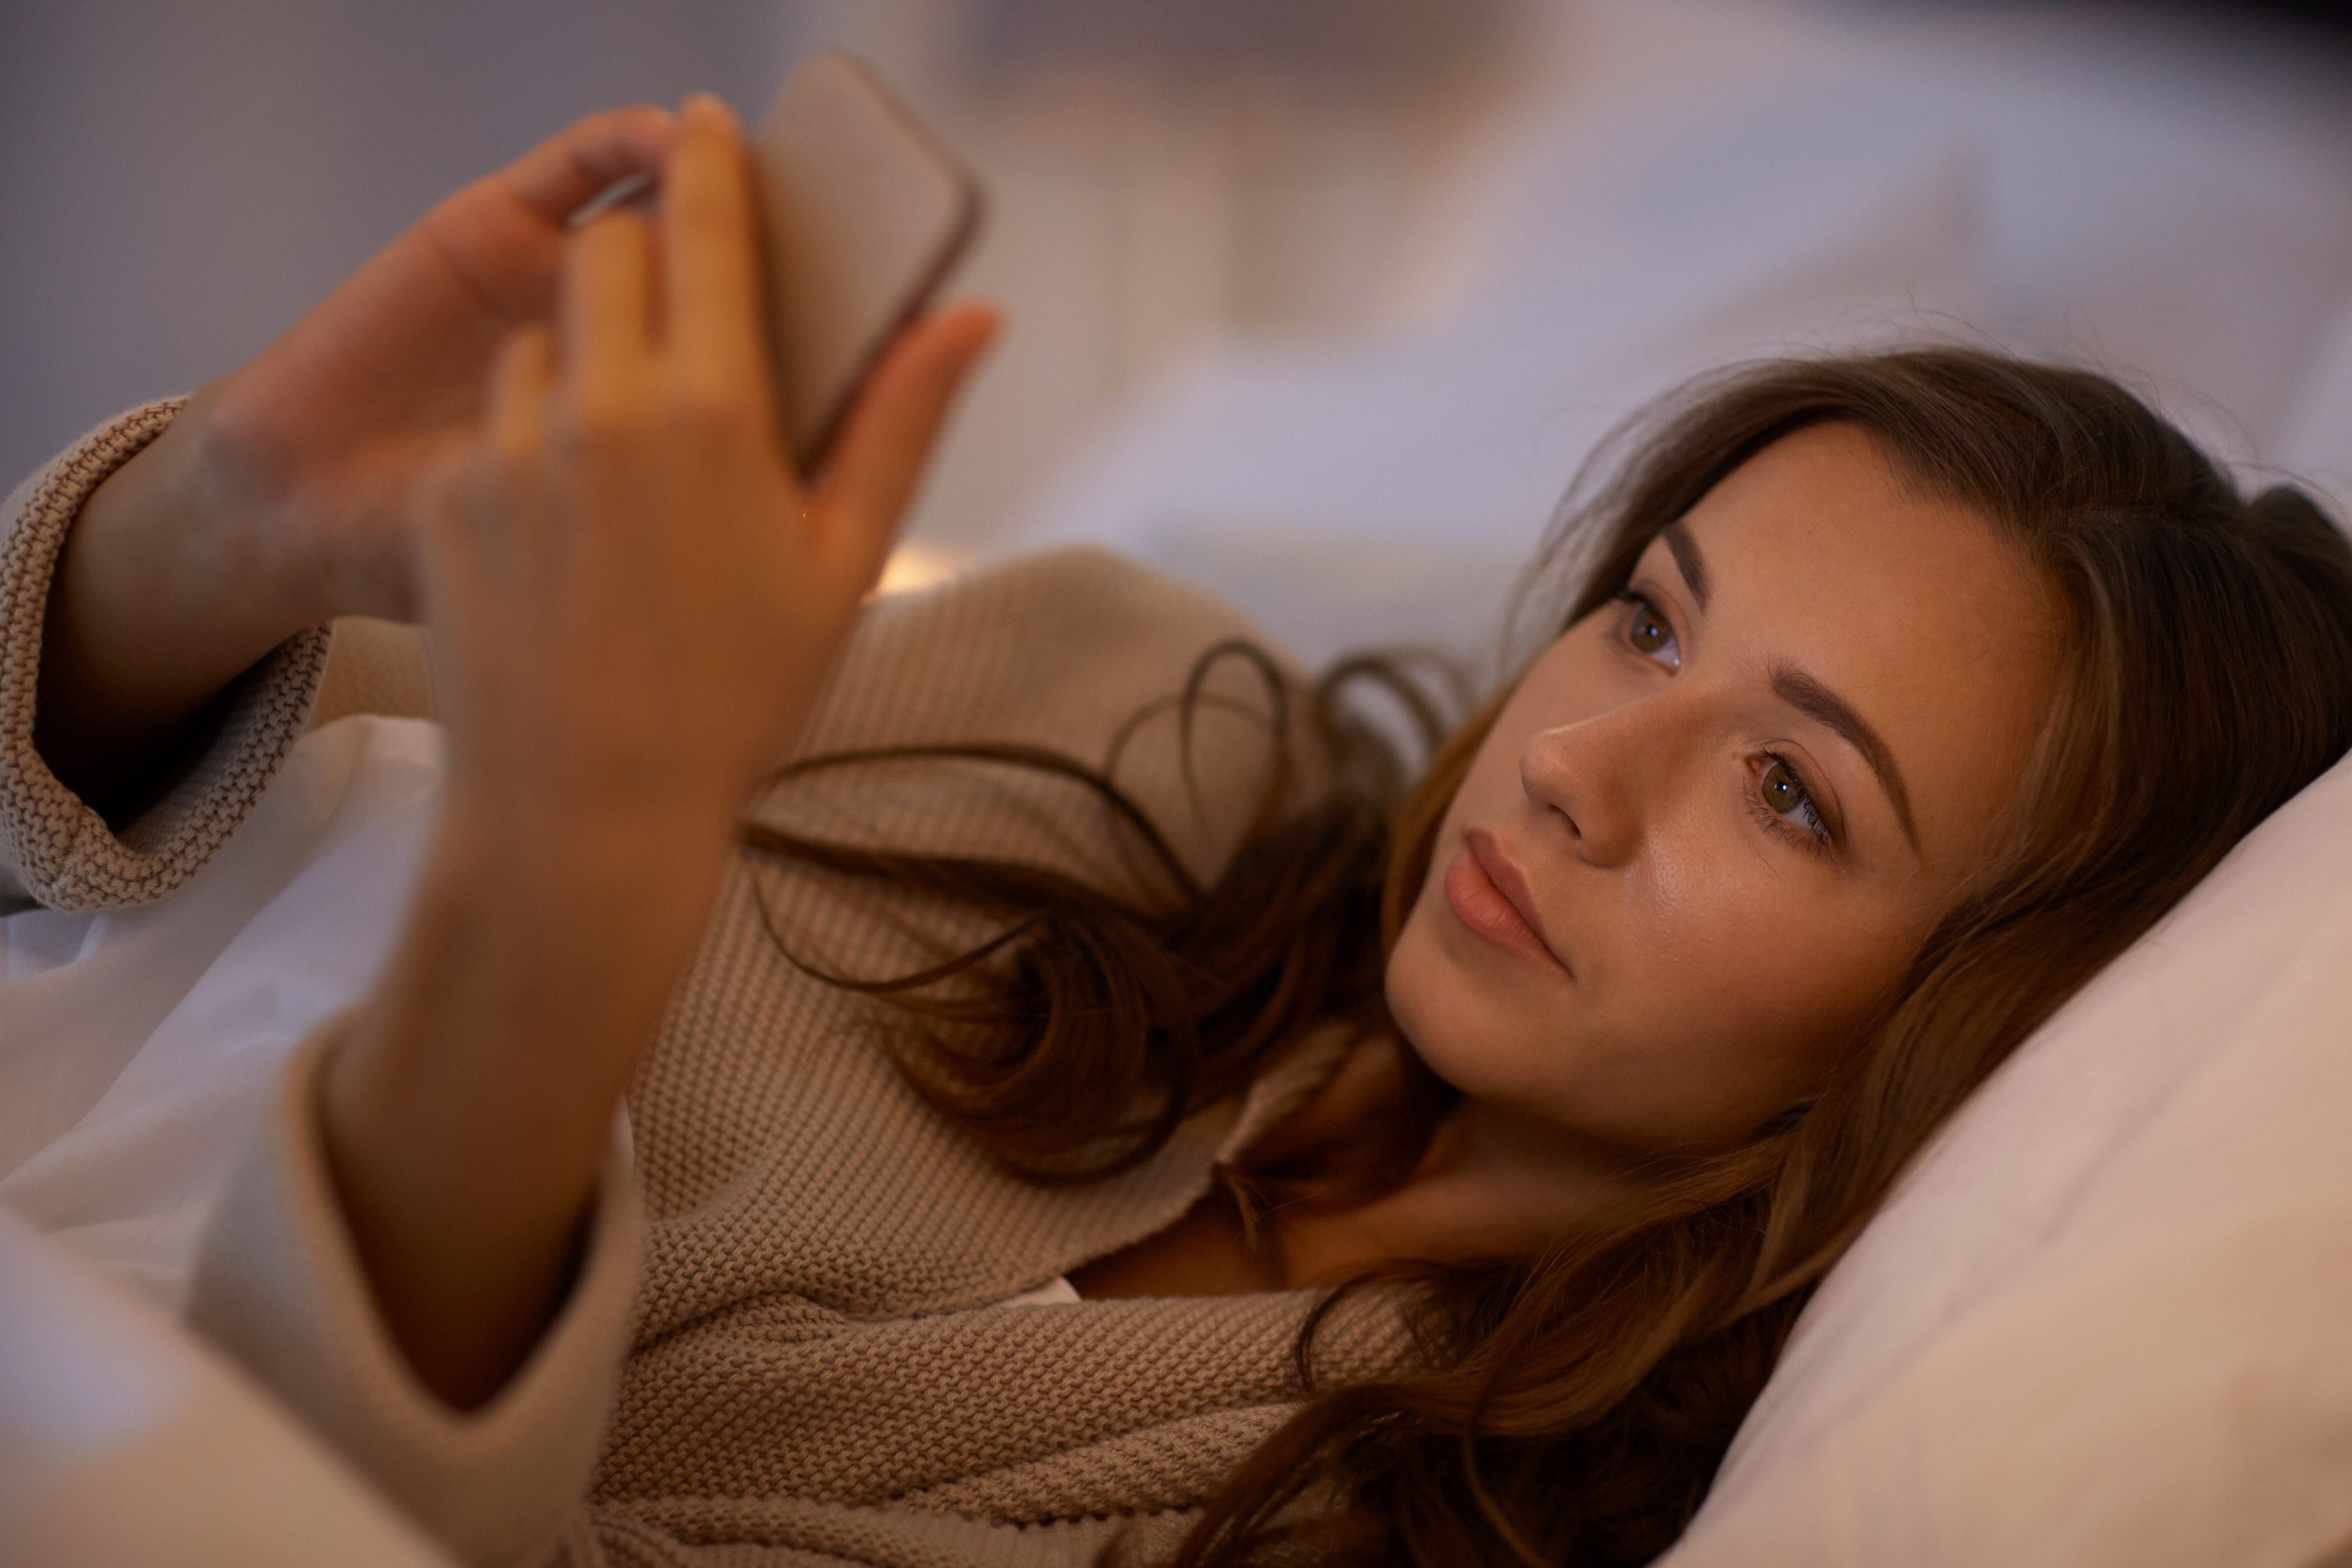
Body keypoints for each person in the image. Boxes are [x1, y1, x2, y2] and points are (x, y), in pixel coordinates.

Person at [8, 93, 2352, 1568]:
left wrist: (572, 882)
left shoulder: (1412, 1517)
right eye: (1648, 620)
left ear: (1973, 1027)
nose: (1571, 769)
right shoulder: (1120, 714)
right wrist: (232, 524)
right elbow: (127, 824)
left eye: (1789, 788)